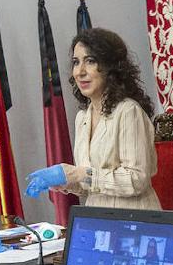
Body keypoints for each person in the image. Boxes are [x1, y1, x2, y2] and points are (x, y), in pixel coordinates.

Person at [24, 28, 161, 209]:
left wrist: (79, 174)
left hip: (134, 221)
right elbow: (91, 185)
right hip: (96, 219)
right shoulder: (82, 117)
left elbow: (136, 179)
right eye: (76, 62)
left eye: (90, 61)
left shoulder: (128, 111)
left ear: (110, 67)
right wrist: (66, 181)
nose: (79, 71)